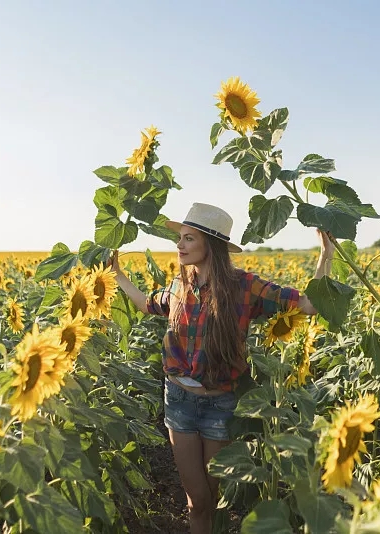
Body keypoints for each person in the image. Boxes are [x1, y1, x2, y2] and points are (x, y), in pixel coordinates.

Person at [108, 202, 333, 534]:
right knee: (195, 499)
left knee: (214, 498)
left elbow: (308, 305)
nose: (179, 246)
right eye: (180, 239)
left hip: (221, 403)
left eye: (188, 239)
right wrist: (116, 275)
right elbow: (145, 303)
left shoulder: (245, 287)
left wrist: (325, 254)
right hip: (179, 401)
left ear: (209, 245)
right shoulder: (177, 286)